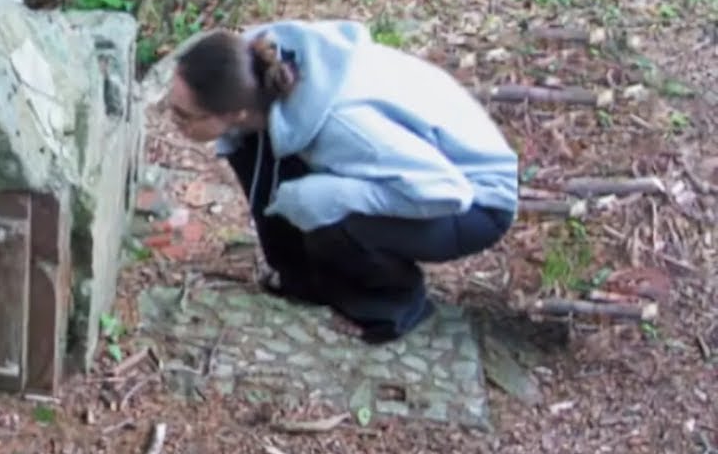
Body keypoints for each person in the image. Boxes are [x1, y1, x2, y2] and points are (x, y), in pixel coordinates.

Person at [165, 20, 519, 344]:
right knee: (251, 147)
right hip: (415, 171)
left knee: (328, 210)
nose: (173, 120)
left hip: (475, 201)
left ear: (236, 112)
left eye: (183, 115)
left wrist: (339, 196)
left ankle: (392, 303)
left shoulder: (346, 127)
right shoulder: (255, 70)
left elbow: (445, 192)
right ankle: (305, 280)